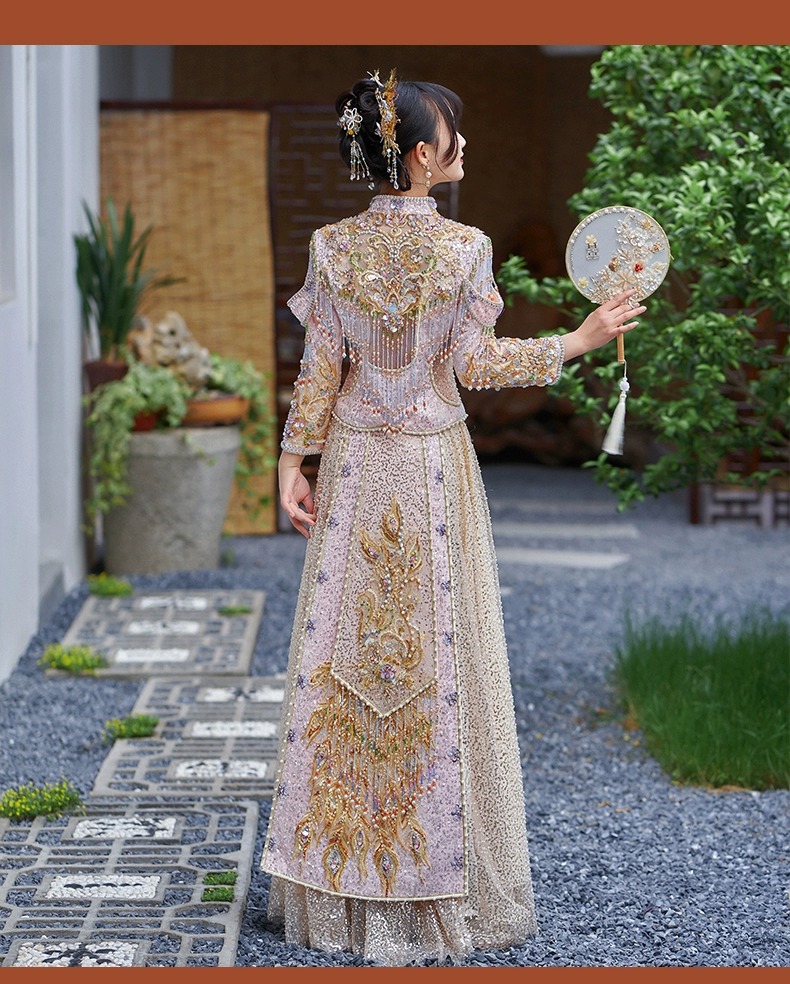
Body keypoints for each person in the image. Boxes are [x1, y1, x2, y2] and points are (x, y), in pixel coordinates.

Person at [260, 69, 644, 966]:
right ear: (422, 156)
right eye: (454, 136)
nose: (465, 146)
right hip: (433, 467)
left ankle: (339, 887)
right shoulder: (465, 248)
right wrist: (577, 341)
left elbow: (320, 369)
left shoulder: (331, 247)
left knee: (345, 655)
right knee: (440, 659)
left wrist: (290, 460)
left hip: (355, 463)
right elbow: (475, 365)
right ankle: (437, 884)